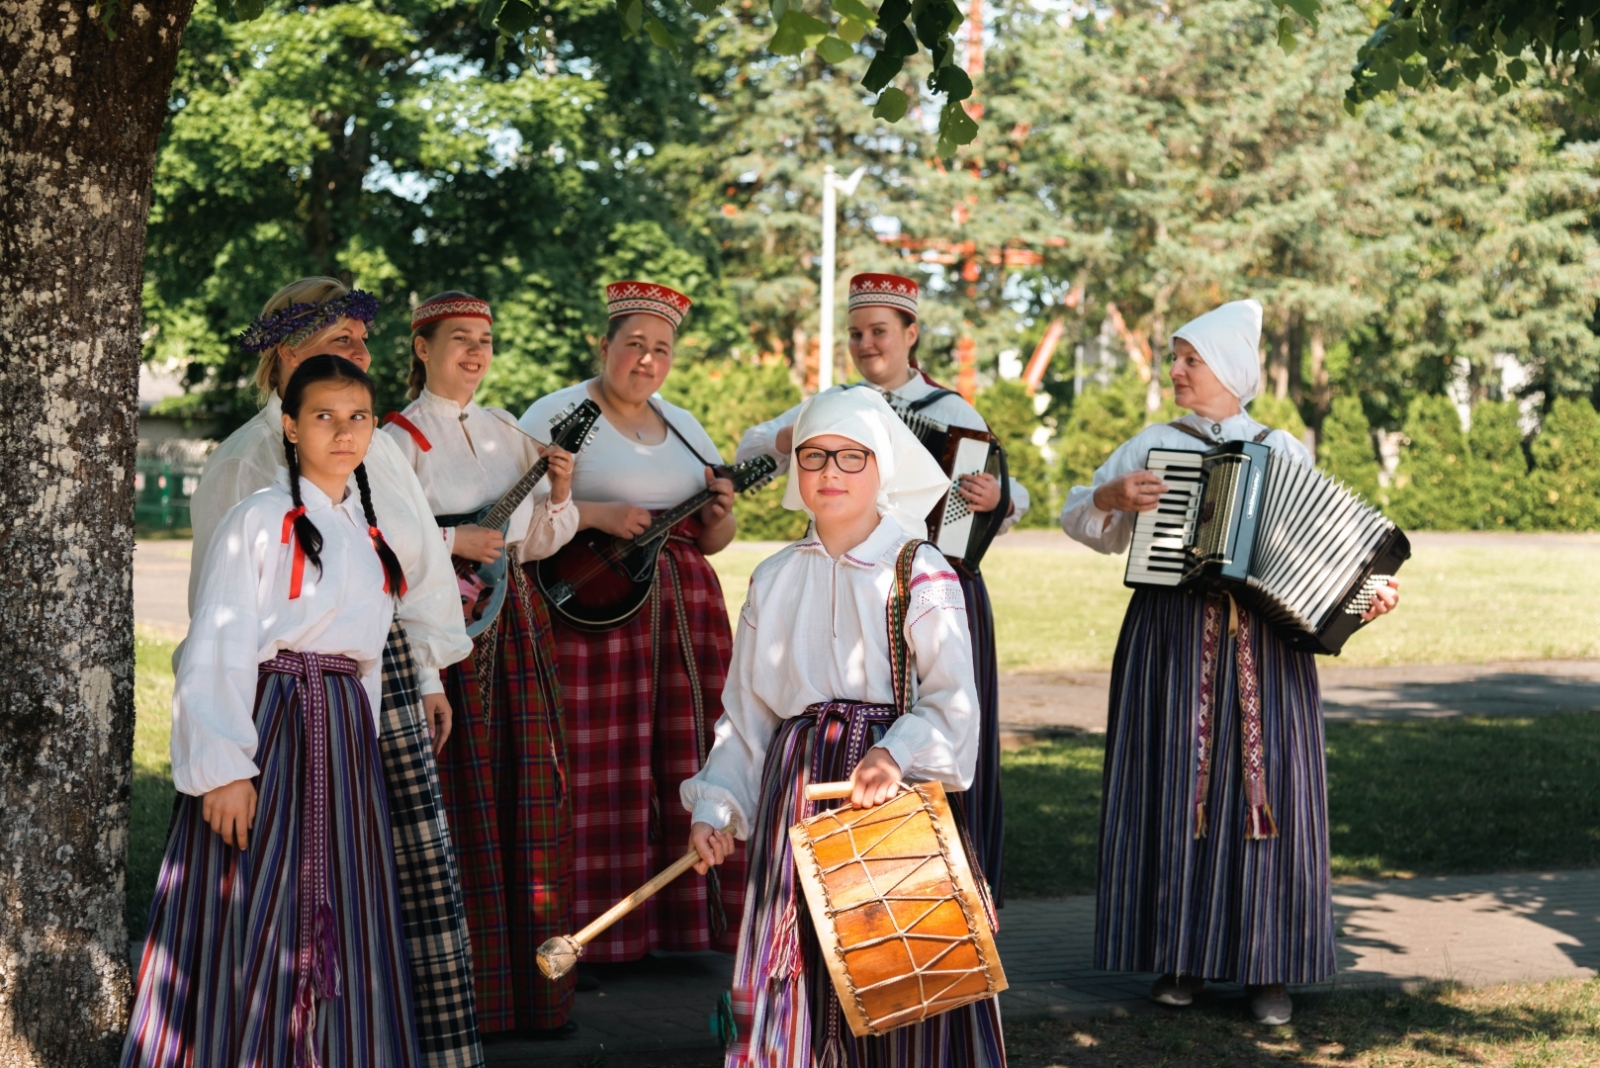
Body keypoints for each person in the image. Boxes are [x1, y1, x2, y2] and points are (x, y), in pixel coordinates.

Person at [1059, 299, 1401, 1026]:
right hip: (1170, 638)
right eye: (1175, 358)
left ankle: (1267, 966)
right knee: (1172, 784)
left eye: (1190, 359)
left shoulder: (1284, 451)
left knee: (1267, 797)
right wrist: (1108, 498)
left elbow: (1322, 559)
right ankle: (1179, 954)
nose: (1175, 370)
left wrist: (1367, 596)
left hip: (1267, 649)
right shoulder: (1154, 441)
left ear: (1233, 372)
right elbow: (1078, 519)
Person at [185, 278, 481, 1066]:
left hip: (365, 688)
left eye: (360, 340)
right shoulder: (246, 468)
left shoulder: (372, 452)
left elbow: (409, 573)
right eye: (339, 340)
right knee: (278, 888)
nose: (359, 352)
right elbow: (221, 623)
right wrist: (224, 760)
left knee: (379, 887)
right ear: (287, 355)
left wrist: (423, 674)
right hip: (274, 704)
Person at [685, 387, 1006, 1068]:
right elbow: (748, 715)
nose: (830, 470)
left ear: (881, 467)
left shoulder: (919, 572)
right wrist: (719, 804)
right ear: (796, 473)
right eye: (814, 455)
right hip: (795, 793)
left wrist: (895, 754)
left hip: (887, 798)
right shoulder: (773, 579)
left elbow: (953, 700)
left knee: (891, 964)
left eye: (851, 457)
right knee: (797, 960)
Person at [123, 356, 420, 1067]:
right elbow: (216, 642)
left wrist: (362, 752)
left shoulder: (370, 533)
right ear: (290, 426)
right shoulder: (256, 519)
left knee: (340, 905)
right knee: (254, 898)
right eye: (323, 416)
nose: (343, 431)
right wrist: (223, 768)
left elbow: (366, 665)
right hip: (273, 727)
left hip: (341, 734)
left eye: (358, 417)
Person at [735, 272, 1026, 901]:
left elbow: (1010, 494)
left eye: (880, 332)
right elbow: (754, 446)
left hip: (924, 582)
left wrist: (995, 497)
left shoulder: (949, 411)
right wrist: (812, 434)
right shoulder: (832, 405)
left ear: (910, 334)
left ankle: (953, 881)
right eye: (857, 334)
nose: (868, 344)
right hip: (832, 573)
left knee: (945, 712)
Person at [518, 281, 744, 965]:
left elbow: (715, 538)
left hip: (682, 618)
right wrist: (595, 515)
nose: (646, 360)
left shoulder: (682, 424)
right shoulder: (556, 414)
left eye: (661, 349)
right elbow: (521, 522)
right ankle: (586, 935)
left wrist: (721, 512)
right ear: (604, 345)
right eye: (634, 345)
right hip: (591, 615)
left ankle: (679, 930)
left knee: (688, 760)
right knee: (594, 772)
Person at [384, 292, 580, 1039]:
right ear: (423, 348)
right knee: (458, 797)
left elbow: (535, 543)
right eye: (459, 339)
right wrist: (451, 542)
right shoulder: (394, 438)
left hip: (517, 628)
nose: (475, 352)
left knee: (527, 790)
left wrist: (559, 492)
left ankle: (531, 994)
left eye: (486, 340)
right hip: (443, 636)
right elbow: (383, 541)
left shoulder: (508, 434)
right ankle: (466, 996)